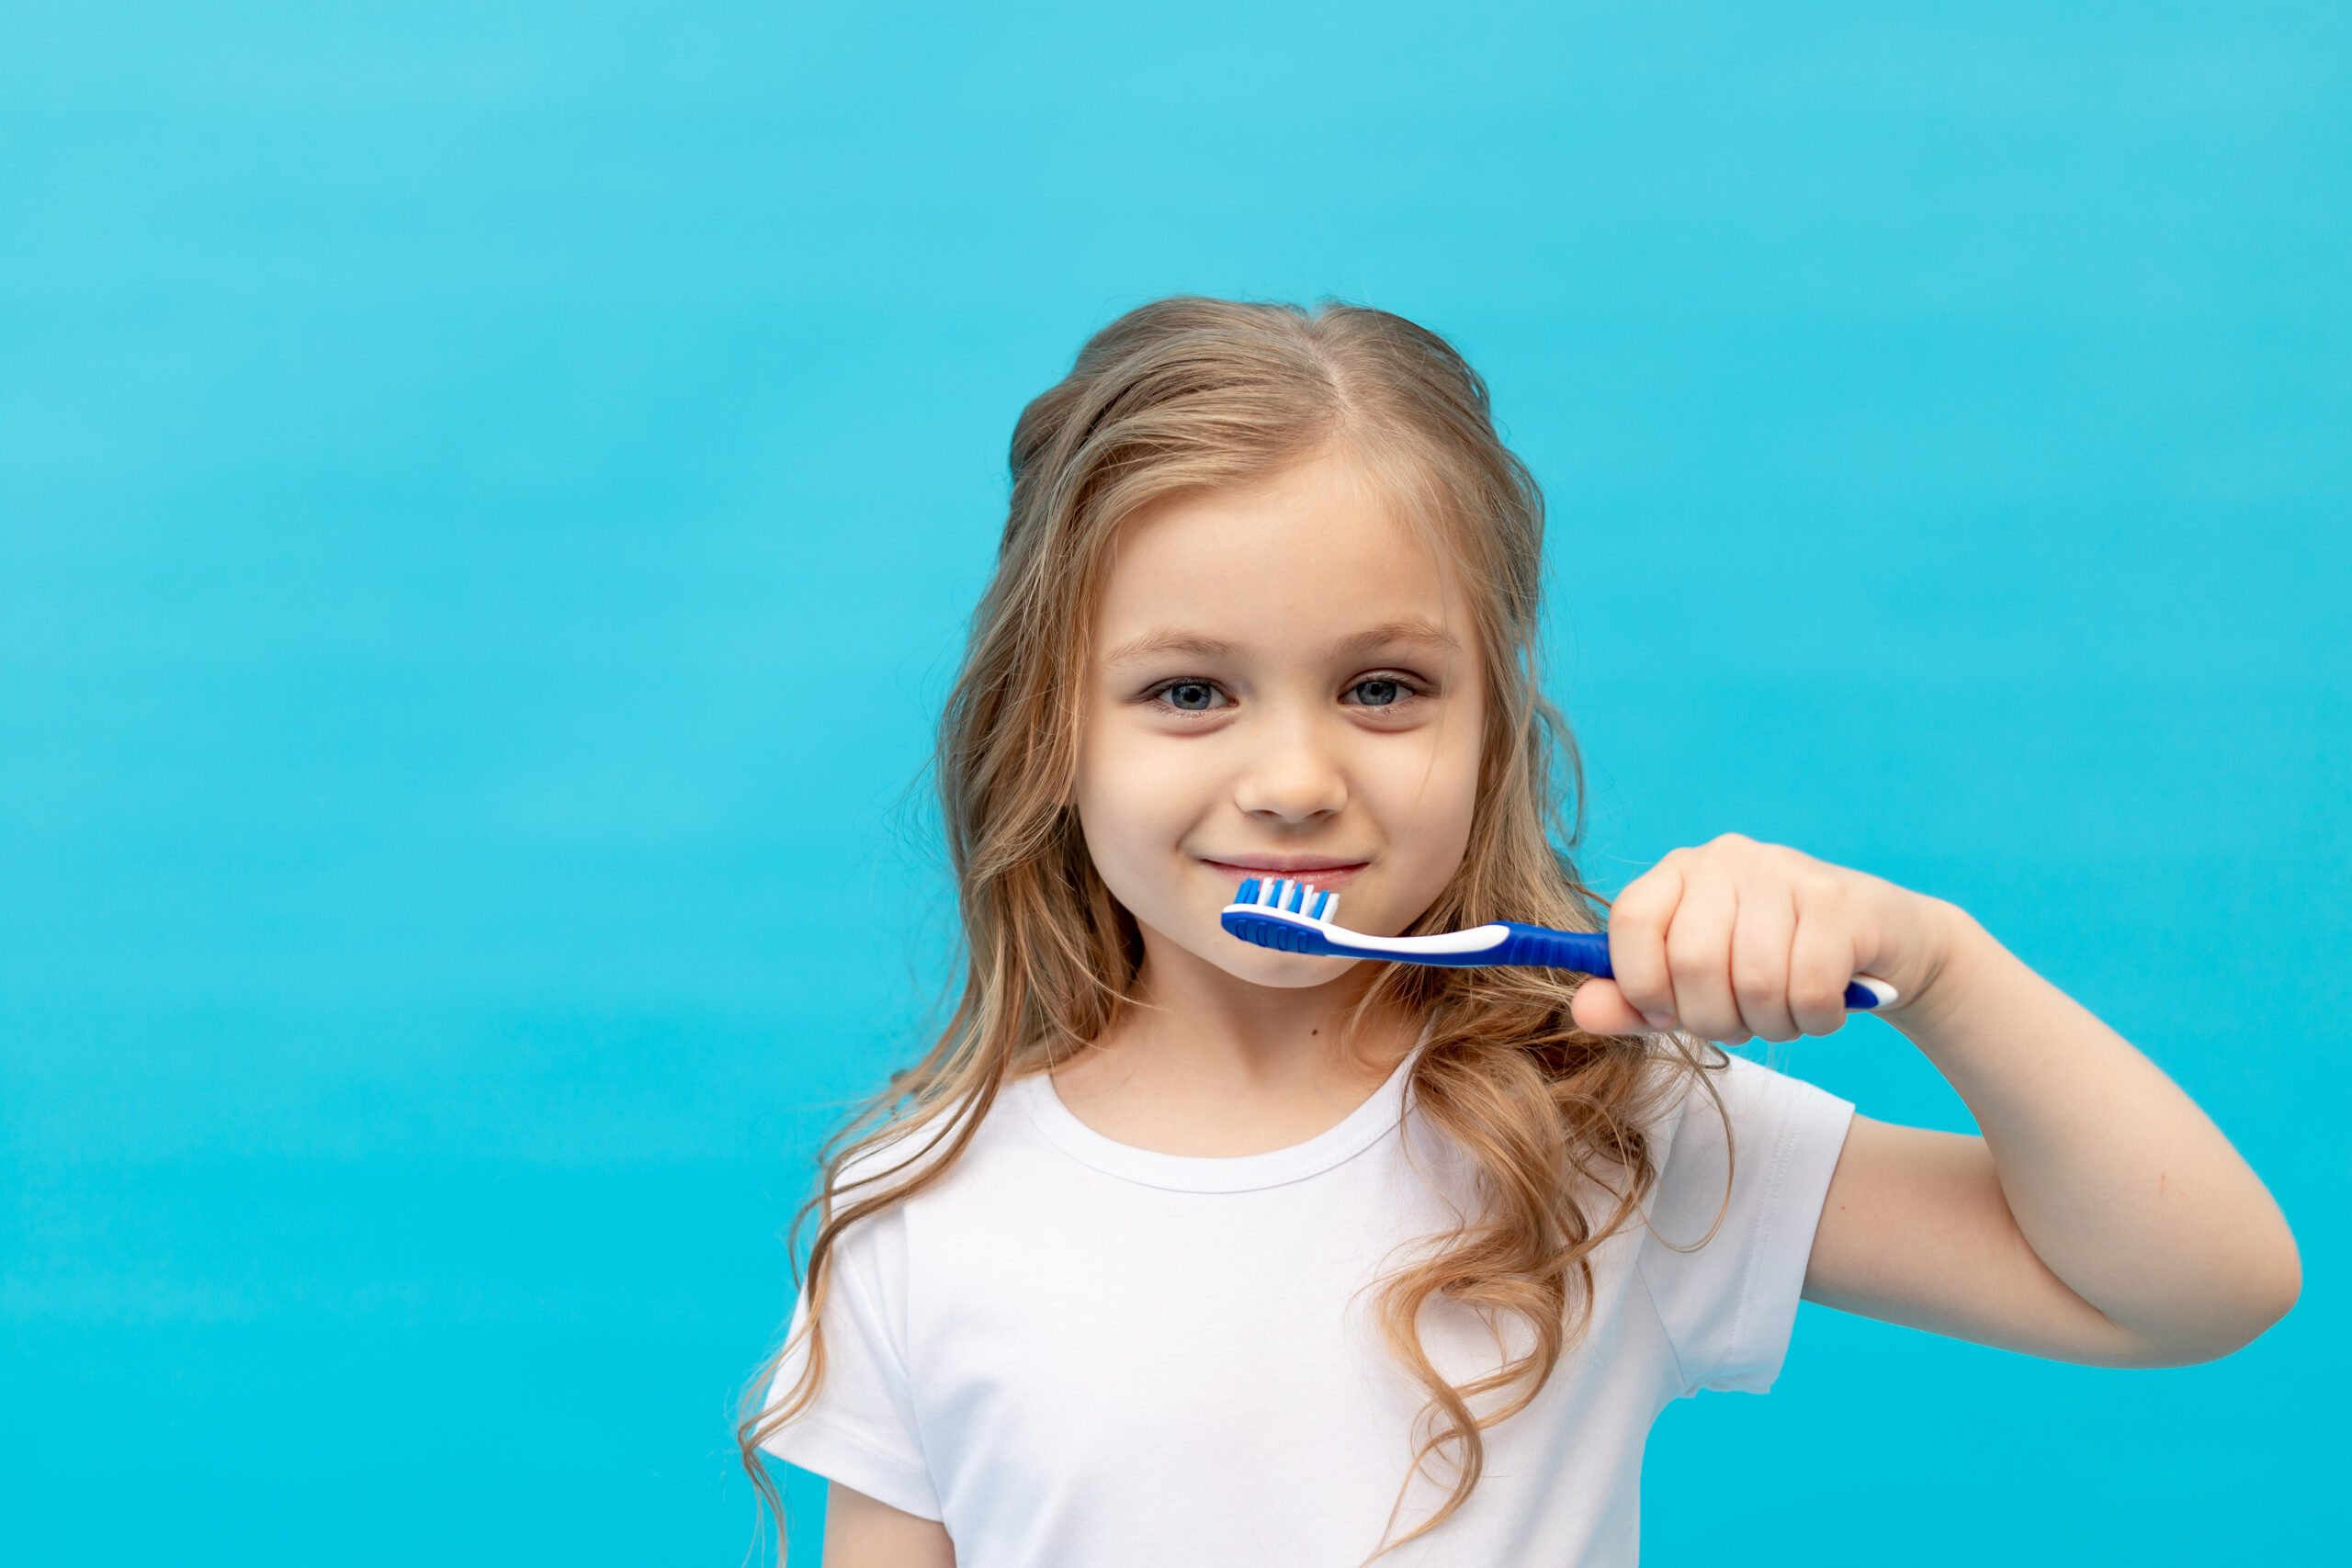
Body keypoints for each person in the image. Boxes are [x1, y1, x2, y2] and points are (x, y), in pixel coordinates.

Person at [738, 298, 2299, 1567]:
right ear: (1046, 733)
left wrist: (1941, 968)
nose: (1294, 781)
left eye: (1384, 688)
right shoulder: (915, 1207)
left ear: (1494, 727)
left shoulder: (1601, 1125)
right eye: (1189, 692)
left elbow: (2198, 1286)